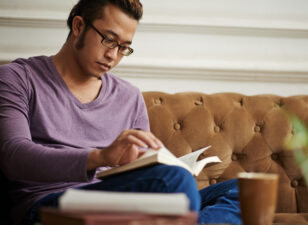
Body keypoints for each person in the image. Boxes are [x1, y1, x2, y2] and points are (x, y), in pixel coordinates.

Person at [0, 1, 241, 225]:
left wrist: (145, 161)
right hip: (50, 203)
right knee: (173, 181)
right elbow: (14, 156)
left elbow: (144, 168)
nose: (113, 56)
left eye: (124, 48)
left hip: (123, 200)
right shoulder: (18, 78)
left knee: (244, 188)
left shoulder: (129, 96)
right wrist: (100, 157)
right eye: (109, 40)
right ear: (78, 26)